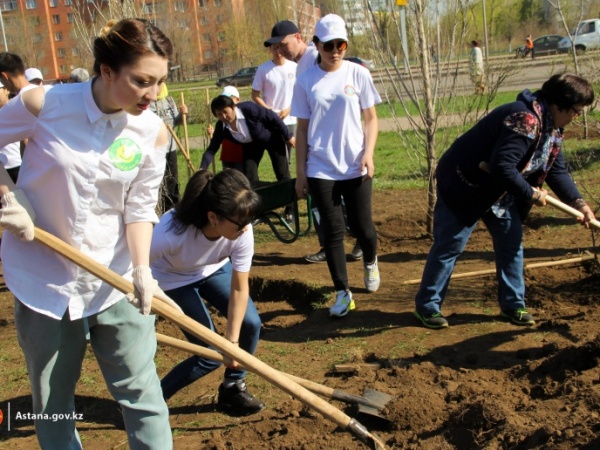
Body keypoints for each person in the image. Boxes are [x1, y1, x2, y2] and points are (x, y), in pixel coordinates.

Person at [0, 19, 179, 449]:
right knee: (54, 403)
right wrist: (8, 198)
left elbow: (138, 208)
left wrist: (141, 270)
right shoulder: (45, 104)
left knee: (142, 396)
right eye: (141, 81)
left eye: (159, 83)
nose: (152, 95)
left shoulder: (150, 131)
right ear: (106, 70)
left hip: (114, 282)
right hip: (44, 280)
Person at [413, 73, 595, 330]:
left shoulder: (552, 129)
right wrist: (532, 194)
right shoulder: (525, 120)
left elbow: (556, 170)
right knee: (450, 245)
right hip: (466, 184)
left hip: (501, 191)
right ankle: (428, 306)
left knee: (511, 244)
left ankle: (513, 304)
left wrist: (579, 204)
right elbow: (502, 166)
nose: (577, 116)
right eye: (576, 111)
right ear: (559, 104)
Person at [151, 169, 265, 416]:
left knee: (250, 324)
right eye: (241, 223)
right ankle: (151, 403)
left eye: (249, 221)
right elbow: (134, 266)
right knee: (210, 354)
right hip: (171, 279)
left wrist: (232, 343)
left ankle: (233, 386)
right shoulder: (168, 233)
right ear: (213, 217)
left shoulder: (240, 227)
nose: (247, 228)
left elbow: (239, 287)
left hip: (212, 269)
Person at [292, 14, 381, 317]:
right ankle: (343, 292)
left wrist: (368, 154)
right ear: (316, 45)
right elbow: (301, 130)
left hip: (355, 165)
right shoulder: (305, 80)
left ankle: (370, 260)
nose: (335, 51)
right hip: (320, 167)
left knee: (363, 228)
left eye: (341, 44)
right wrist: (300, 172)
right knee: (332, 232)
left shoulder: (358, 74)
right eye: (329, 45)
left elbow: (371, 119)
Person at [199, 94, 294, 188]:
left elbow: (273, 117)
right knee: (249, 177)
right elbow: (211, 150)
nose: (224, 116)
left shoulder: (249, 109)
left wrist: (288, 136)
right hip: (252, 145)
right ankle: (260, 199)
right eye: (219, 114)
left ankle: (290, 201)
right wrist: (202, 169)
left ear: (233, 107)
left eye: (225, 111)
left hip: (272, 139)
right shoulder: (221, 127)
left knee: (282, 174)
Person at [252, 43, 297, 165]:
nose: (278, 52)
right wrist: (269, 111)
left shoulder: (295, 67)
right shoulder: (263, 69)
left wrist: (289, 109)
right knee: (279, 158)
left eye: (280, 48)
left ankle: (291, 180)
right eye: (274, 48)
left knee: (290, 156)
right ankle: (283, 180)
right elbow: (254, 95)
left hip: (291, 119)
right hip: (272, 121)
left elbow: (300, 93)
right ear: (270, 50)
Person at [150, 83, 188, 212]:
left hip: (170, 148)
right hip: (154, 150)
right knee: (158, 181)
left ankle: (174, 209)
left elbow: (176, 121)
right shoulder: (146, 103)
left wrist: (183, 115)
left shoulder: (169, 101)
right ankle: (159, 208)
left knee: (172, 179)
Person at [206, 86, 244, 172]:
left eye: (229, 99)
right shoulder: (223, 120)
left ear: (237, 100)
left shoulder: (241, 116)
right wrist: (214, 132)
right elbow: (222, 135)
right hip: (227, 154)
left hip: (240, 155)